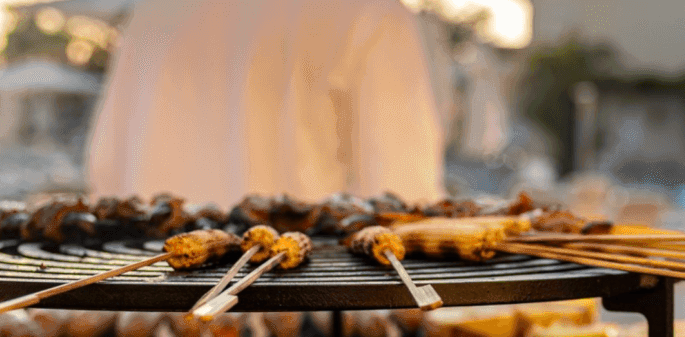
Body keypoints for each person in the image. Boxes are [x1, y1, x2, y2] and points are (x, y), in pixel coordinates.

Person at [86, 0, 444, 208]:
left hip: (149, 313)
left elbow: (105, 172)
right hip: (296, 320)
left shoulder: (156, 12)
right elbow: (404, 199)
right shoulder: (371, 11)